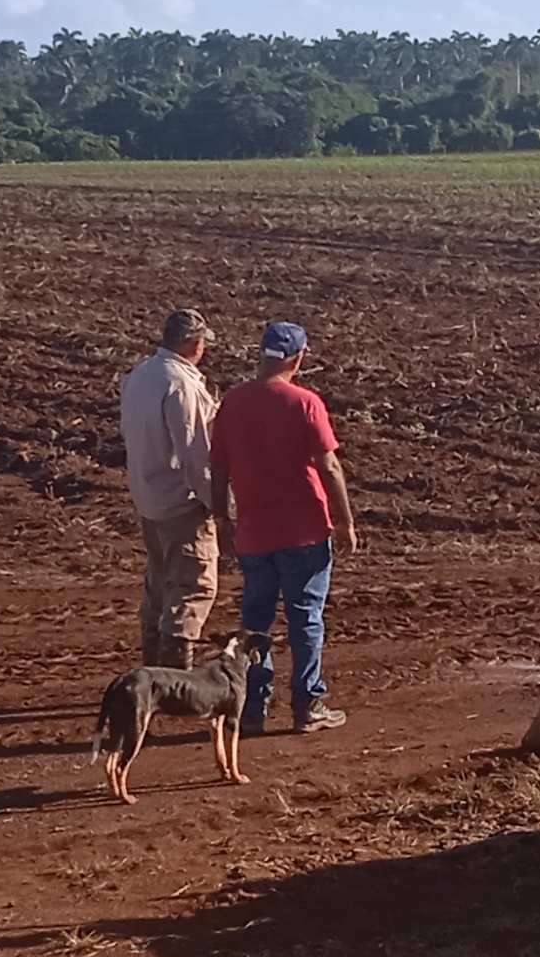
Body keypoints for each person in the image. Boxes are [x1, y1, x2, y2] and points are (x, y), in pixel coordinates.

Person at [207, 319, 359, 734]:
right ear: (299, 357)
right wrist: (344, 520)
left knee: (254, 621)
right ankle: (306, 704)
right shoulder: (305, 402)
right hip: (304, 529)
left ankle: (251, 706)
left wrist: (222, 517)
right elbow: (328, 465)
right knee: (305, 618)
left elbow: (218, 465)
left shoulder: (233, 403)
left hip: (254, 532)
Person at [118, 308, 220, 665]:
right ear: (195, 344)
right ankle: (175, 675)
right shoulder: (181, 385)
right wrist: (219, 507)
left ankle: (152, 668)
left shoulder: (137, 377)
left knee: (159, 586)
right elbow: (196, 457)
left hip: (148, 499)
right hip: (181, 504)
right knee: (193, 587)